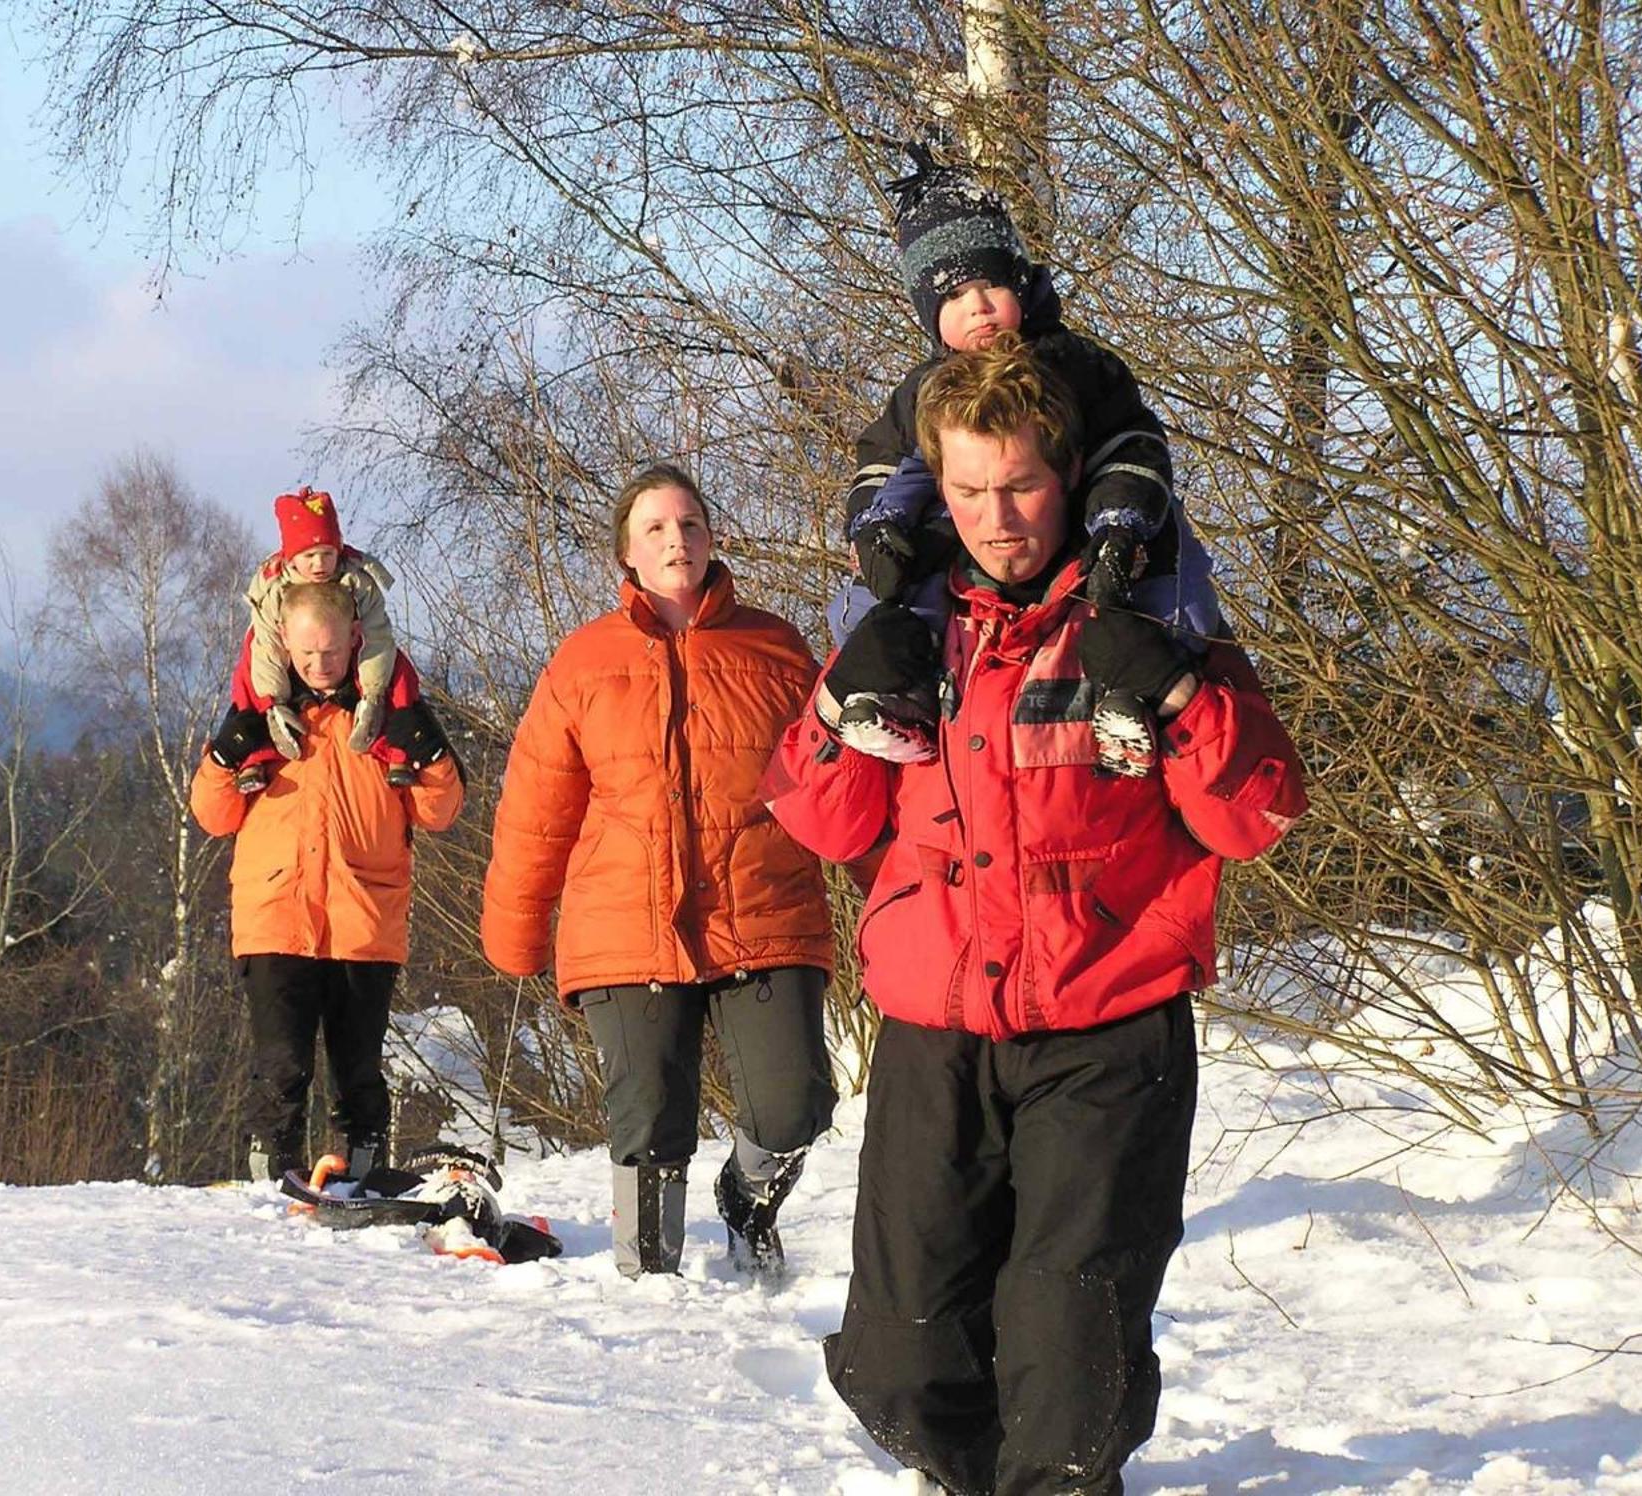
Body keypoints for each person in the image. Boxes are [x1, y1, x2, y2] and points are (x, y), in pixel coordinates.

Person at [765, 341, 1307, 1493]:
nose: (994, 517)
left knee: (1066, 1358)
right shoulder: (908, 621)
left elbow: (1254, 813)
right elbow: (820, 818)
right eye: (965, 491)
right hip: (936, 1032)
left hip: (1108, 1028)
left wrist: (1170, 689)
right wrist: (835, 693)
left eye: (1017, 486)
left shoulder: (1155, 610)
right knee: (898, 1357)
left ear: (1063, 474)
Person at [480, 463, 838, 1278]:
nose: (676, 539)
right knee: (649, 1119)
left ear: (712, 541)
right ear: (627, 557)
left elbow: (835, 783)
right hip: (623, 920)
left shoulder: (777, 648)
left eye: (690, 524)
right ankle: (651, 1283)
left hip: (764, 909)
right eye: (655, 528)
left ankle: (748, 1199)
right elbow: (538, 807)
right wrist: (516, 931)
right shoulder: (582, 663)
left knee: (794, 1106)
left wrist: (898, 887)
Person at [826, 145, 1221, 777]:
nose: (978, 307)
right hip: (958, 557)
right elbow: (882, 464)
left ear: (1023, 282)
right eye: (953, 296)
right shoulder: (922, 390)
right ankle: (898, 690)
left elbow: (1133, 442)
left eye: (991, 285)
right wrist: (876, 526)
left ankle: (1140, 693)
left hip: (1090, 528)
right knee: (885, 594)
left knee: (1160, 574)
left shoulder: (1074, 364)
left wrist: (1120, 520)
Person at [191, 580, 465, 1185]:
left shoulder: (382, 719)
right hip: (275, 916)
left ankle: (363, 1177)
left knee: (357, 1069)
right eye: (306, 654)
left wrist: (426, 747)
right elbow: (212, 816)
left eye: (332, 653)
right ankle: (272, 1178)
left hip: (363, 920)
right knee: (281, 1064)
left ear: (356, 641)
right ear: (282, 644)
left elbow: (442, 810)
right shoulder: (263, 720)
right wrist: (225, 753)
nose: (319, 666)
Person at [227, 487, 422, 793]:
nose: (319, 564)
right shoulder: (274, 587)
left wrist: (372, 690)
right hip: (285, 656)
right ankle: (251, 756)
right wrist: (273, 699)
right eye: (309, 556)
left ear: (339, 549)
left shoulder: (356, 579)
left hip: (352, 653)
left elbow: (378, 633)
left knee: (399, 673)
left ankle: (399, 750)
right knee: (246, 675)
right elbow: (265, 642)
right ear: (292, 557)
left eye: (327, 554)